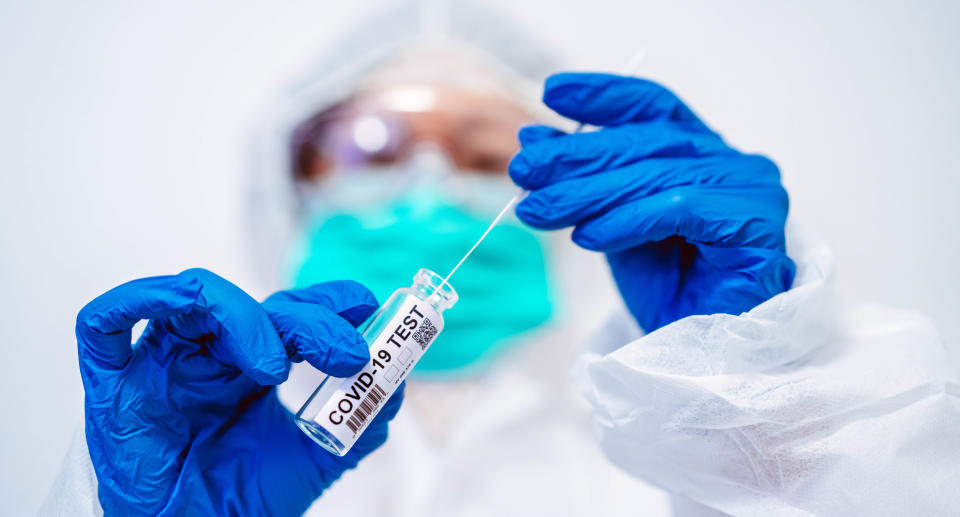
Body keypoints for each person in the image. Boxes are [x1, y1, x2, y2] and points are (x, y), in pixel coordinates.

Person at [43, 2, 959, 516]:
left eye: (485, 147)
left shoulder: (664, 458)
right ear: (288, 181)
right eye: (370, 142)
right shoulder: (194, 450)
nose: (433, 183)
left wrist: (757, 386)